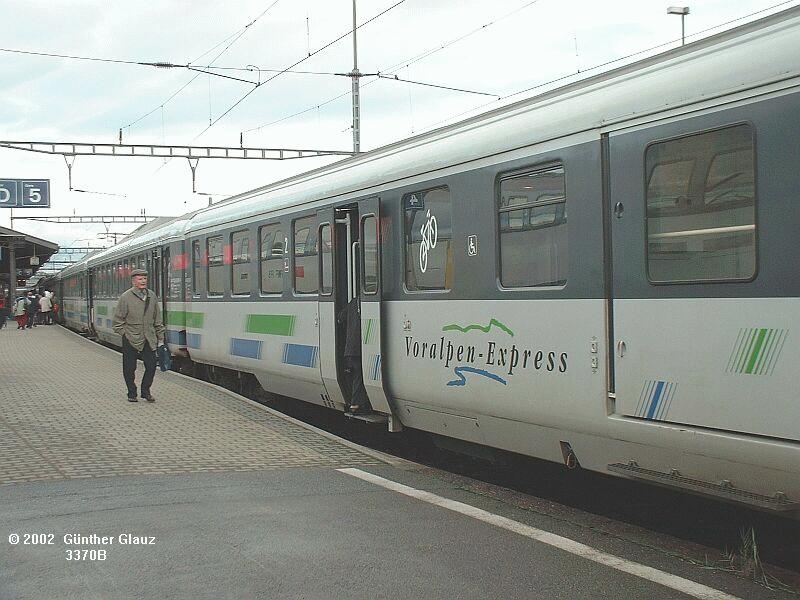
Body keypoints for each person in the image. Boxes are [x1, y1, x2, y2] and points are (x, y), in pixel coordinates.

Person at [112, 268, 165, 402]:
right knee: (129, 368)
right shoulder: (126, 297)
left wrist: (160, 337)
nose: (143, 281)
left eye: (145, 279)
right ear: (134, 281)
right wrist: (125, 334)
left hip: (149, 337)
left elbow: (157, 318)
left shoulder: (152, 296)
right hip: (131, 337)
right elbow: (117, 321)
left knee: (152, 366)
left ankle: (145, 391)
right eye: (140, 279)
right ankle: (131, 393)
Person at [336, 294, 371, 414]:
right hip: (360, 348)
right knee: (358, 376)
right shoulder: (367, 303)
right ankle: (356, 404)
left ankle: (355, 402)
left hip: (350, 348)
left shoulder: (353, 303)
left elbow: (340, 317)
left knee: (354, 374)